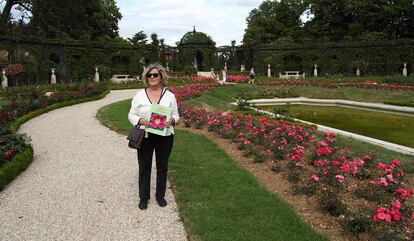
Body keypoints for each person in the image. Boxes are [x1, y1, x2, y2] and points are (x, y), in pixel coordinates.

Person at [128, 63, 179, 210]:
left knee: (162, 167)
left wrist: (172, 120)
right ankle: (144, 197)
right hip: (146, 135)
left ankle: (160, 195)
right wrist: (139, 120)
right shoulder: (139, 95)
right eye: (149, 75)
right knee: (144, 167)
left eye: (155, 74)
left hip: (165, 136)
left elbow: (176, 114)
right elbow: (131, 114)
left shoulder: (170, 96)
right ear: (146, 78)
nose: (152, 77)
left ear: (161, 77)